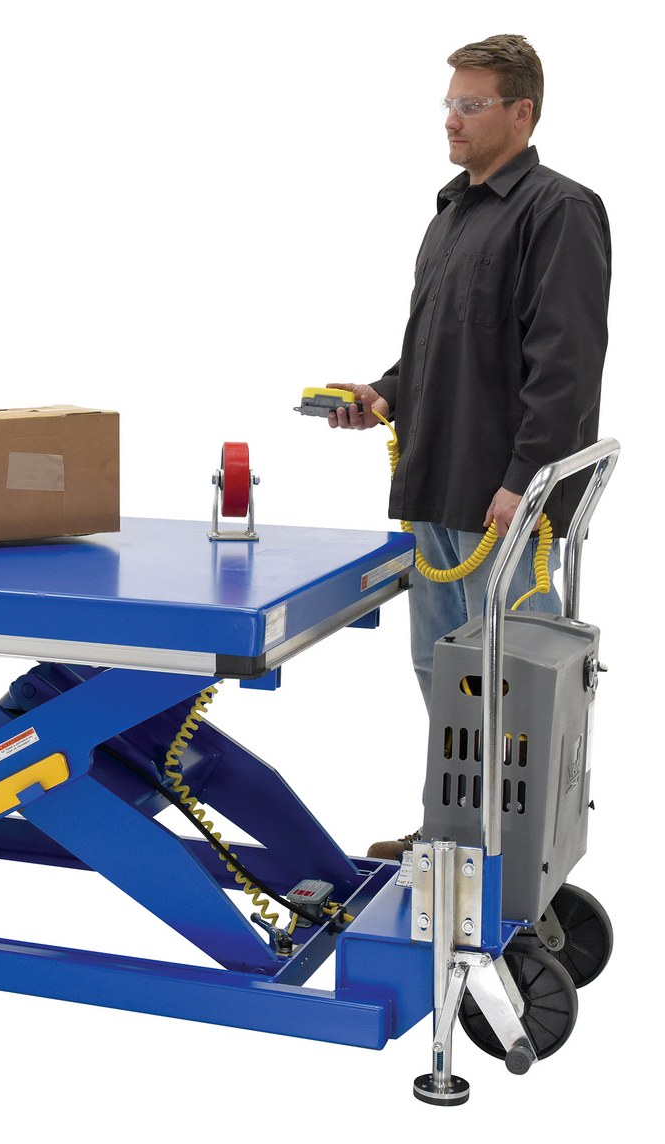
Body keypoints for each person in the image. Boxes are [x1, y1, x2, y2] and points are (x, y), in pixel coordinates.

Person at [327, 34, 611, 859]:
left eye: (471, 105)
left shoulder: (558, 210)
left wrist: (527, 481)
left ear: (521, 112)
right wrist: (384, 392)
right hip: (438, 487)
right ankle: (455, 835)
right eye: (449, 103)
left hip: (505, 503)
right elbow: (439, 345)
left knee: (514, 682)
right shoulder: (453, 212)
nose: (451, 120)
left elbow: (565, 365)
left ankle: (517, 856)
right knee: (443, 673)